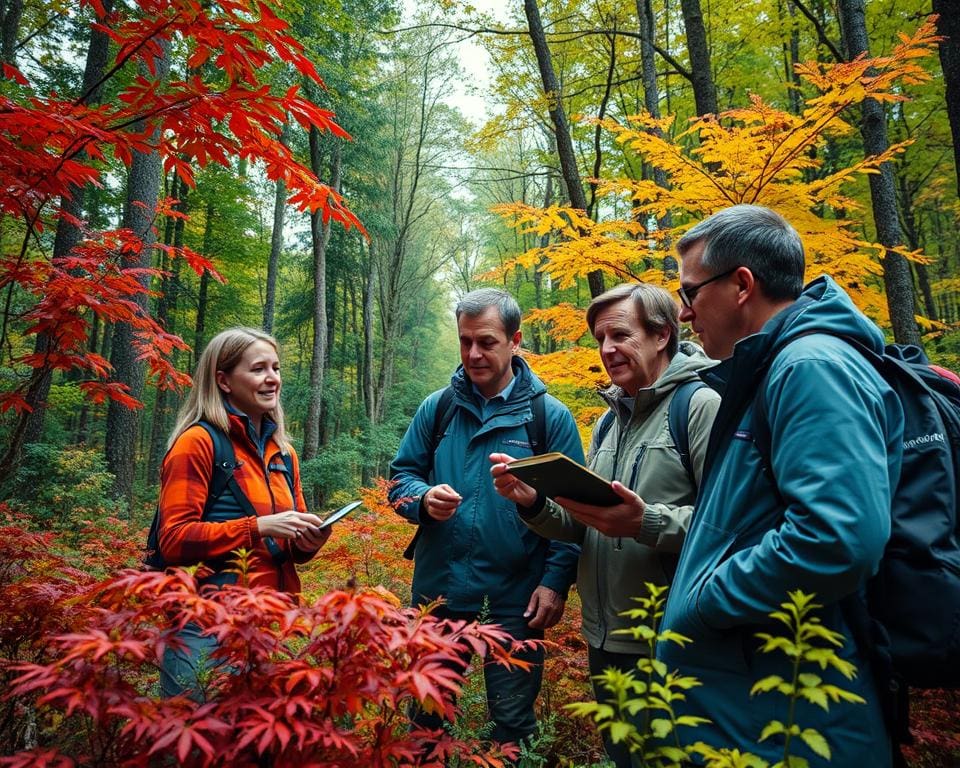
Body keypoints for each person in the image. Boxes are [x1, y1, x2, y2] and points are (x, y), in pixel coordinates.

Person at [658, 205, 903, 765]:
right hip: (757, 705)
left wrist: (703, 602)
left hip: (797, 716)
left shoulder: (810, 366)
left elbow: (837, 537)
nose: (685, 311)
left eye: (691, 292)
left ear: (741, 284)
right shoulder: (772, 370)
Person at [490, 282, 720, 768]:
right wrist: (533, 503)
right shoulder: (608, 422)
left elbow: (731, 525)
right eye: (600, 338)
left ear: (661, 336)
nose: (607, 350)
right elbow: (588, 525)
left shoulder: (699, 407)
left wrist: (646, 522)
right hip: (605, 634)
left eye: (620, 335)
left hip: (669, 635)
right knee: (625, 757)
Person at [388, 288, 583, 748]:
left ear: (515, 341)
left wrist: (555, 583)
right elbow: (399, 480)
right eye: (465, 341)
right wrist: (421, 498)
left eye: (487, 342)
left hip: (516, 601)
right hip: (439, 592)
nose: (473, 353)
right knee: (427, 719)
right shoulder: (437, 409)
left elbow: (575, 514)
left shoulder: (547, 418)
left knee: (512, 724)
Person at [157, 327, 331, 697]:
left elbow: (285, 547)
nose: (273, 379)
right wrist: (259, 526)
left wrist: (308, 541)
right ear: (223, 380)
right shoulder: (197, 443)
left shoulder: (284, 453)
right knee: (203, 751)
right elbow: (172, 540)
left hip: (271, 630)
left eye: (276, 368)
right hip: (204, 631)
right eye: (258, 369)